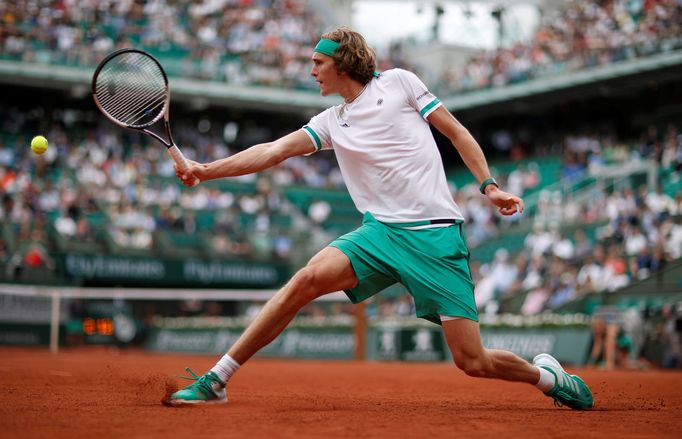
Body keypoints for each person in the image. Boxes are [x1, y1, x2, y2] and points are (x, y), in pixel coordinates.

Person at [167, 27, 593, 410]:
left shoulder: (401, 83)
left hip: (435, 237)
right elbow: (273, 150)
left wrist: (489, 186)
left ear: (344, 62)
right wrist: (206, 170)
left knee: (473, 361)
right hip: (380, 234)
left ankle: (546, 378)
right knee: (305, 280)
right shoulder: (331, 121)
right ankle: (217, 379)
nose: (311, 70)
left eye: (318, 62)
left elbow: (457, 133)